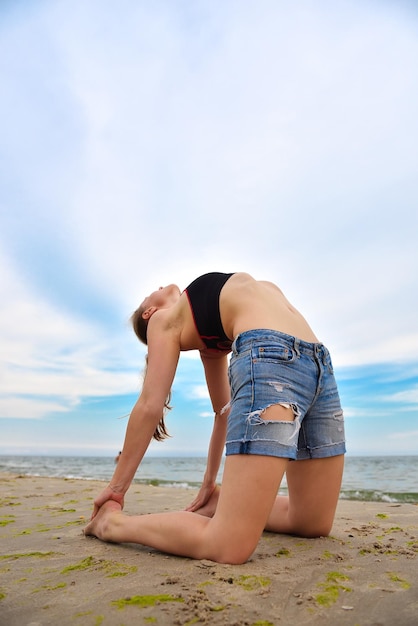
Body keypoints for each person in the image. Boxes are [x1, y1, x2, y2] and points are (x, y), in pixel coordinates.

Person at [84, 272, 345, 564]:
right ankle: (111, 524)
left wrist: (210, 484)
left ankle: (222, 503)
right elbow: (149, 405)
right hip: (273, 359)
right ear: (149, 312)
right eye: (149, 294)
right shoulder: (163, 320)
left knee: (311, 522)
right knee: (228, 546)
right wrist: (116, 490)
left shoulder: (212, 340)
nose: (157, 287)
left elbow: (223, 413)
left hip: (320, 363)